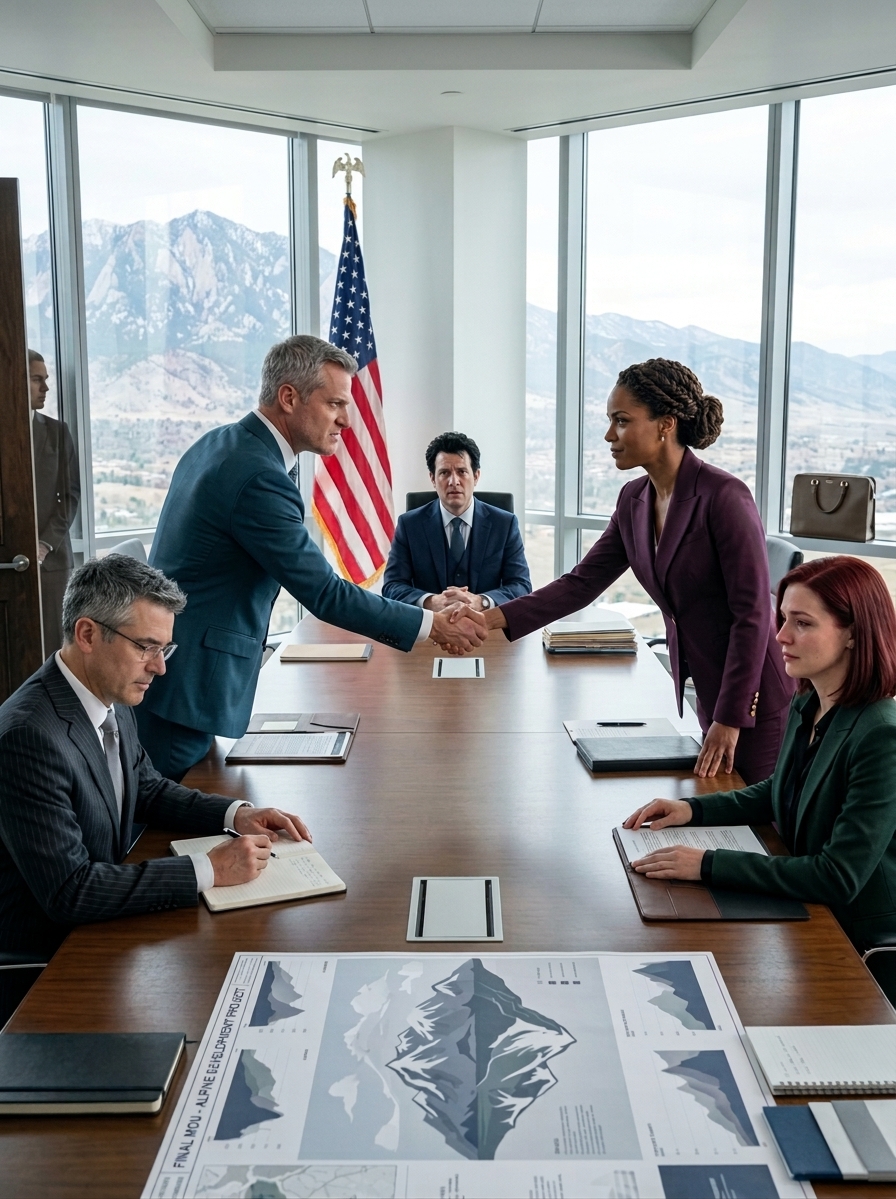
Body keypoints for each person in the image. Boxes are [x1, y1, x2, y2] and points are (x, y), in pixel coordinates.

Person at [138, 336, 487, 782]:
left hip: (183, 675)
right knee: (159, 820)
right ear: (289, 397)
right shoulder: (258, 475)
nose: (345, 419)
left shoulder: (222, 443)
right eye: (335, 403)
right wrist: (430, 625)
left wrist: (426, 606)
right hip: (189, 686)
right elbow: (323, 592)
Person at [0, 555, 310, 1018]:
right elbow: (71, 890)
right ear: (87, 635)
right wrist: (209, 871)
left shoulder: (107, 690)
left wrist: (234, 814)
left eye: (164, 649)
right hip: (52, 967)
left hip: (108, 927)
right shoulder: (28, 736)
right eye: (146, 647)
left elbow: (145, 787)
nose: (159, 668)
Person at [481, 359, 793, 784]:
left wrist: (731, 718)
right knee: (717, 810)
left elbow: (753, 616)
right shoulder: (634, 499)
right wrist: (489, 620)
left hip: (752, 702)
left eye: (622, 421)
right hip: (708, 693)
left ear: (665, 424)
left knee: (756, 828)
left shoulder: (724, 498)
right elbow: (581, 583)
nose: (610, 435)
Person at [623, 555, 896, 1002]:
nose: (781, 636)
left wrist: (707, 864)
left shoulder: (881, 734)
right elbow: (782, 790)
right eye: (783, 618)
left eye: (802, 623)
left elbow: (838, 877)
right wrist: (693, 810)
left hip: (859, 946)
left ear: (852, 633)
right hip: (807, 911)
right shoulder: (809, 701)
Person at [383, 431, 532, 612]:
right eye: (444, 473)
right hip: (429, 631)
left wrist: (482, 601)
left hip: (487, 630)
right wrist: (431, 602)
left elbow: (521, 586)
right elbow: (392, 586)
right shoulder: (409, 525)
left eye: (462, 472)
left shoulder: (504, 524)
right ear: (432, 478)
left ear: (476, 476)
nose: (454, 481)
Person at [29, 350, 80, 654]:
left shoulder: (58, 433)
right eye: (37, 379)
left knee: (54, 648)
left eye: (46, 380)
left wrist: (44, 544)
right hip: (10, 562)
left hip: (54, 562)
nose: (46, 388)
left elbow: (70, 495)